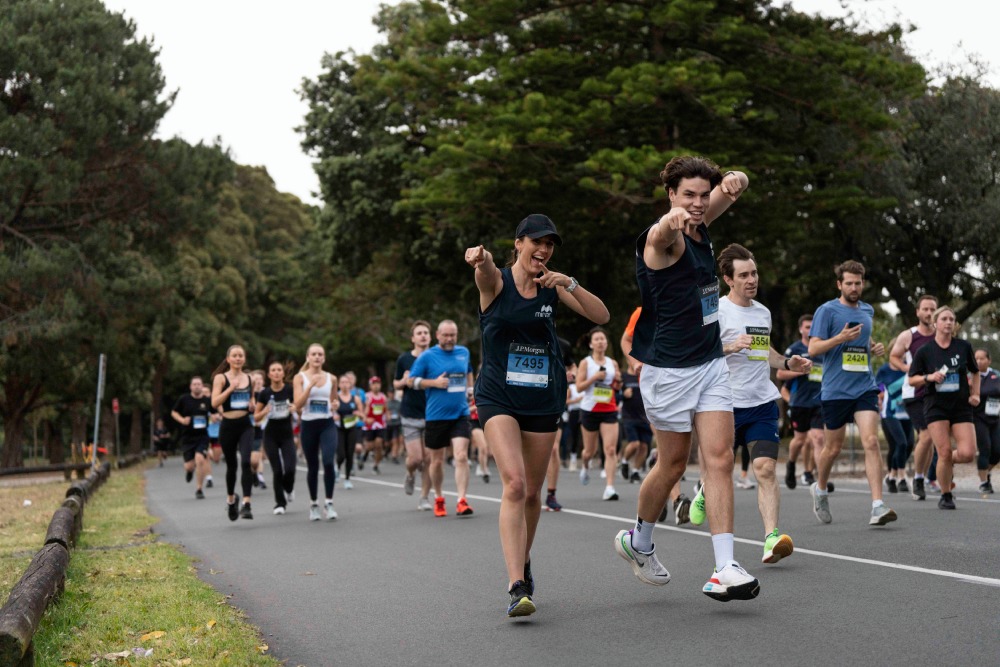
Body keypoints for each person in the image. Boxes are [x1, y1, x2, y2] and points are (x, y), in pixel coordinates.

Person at [613, 156, 760, 602]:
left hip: (710, 361)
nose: (697, 204)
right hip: (668, 372)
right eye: (687, 196)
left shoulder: (700, 223)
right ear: (671, 195)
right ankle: (638, 541)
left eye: (703, 194)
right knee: (673, 464)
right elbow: (662, 235)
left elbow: (729, 192)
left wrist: (738, 178)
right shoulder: (665, 240)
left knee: (718, 458)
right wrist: (668, 222)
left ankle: (725, 567)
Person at [465, 212, 609, 617]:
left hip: (543, 398)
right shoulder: (497, 282)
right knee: (514, 483)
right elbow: (486, 272)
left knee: (532, 492)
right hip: (498, 396)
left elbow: (601, 317)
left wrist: (569, 282)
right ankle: (517, 584)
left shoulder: (552, 286)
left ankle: (523, 559)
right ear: (519, 243)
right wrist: (481, 259)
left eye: (549, 245)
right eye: (536, 242)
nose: (543, 250)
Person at [717, 244, 811, 564]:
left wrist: (788, 361)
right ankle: (703, 493)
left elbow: (764, 351)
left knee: (765, 468)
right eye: (743, 275)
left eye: (754, 273)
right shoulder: (717, 311)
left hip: (761, 401)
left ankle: (771, 537)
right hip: (725, 404)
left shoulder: (763, 312)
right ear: (728, 279)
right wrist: (730, 346)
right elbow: (698, 353)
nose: (751, 279)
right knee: (720, 469)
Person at [808, 260, 896, 526]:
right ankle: (820, 489)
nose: (854, 287)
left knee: (870, 441)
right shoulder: (827, 311)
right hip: (835, 389)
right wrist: (839, 339)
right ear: (840, 284)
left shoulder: (867, 309)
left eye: (858, 283)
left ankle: (877, 506)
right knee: (832, 448)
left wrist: (874, 346)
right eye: (849, 283)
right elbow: (813, 349)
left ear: (863, 283)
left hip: (864, 388)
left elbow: (862, 339)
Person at [621, 307, 692, 524]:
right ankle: (676, 499)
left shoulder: (689, 304)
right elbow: (626, 339)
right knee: (668, 449)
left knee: (672, 450)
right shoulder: (644, 310)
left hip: (684, 383)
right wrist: (634, 363)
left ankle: (658, 497)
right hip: (655, 386)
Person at [907, 307, 980, 509]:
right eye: (944, 319)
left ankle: (947, 463)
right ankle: (945, 494)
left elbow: (975, 372)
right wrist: (929, 377)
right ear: (936, 323)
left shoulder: (963, 347)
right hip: (935, 406)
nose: (948, 322)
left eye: (952, 319)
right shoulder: (925, 351)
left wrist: (975, 394)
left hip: (961, 406)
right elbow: (912, 379)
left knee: (967, 453)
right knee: (944, 452)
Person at [407, 320, 475, 518]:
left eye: (453, 335)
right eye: (446, 335)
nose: (449, 339)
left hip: (460, 413)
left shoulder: (463, 352)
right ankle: (438, 497)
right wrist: (433, 383)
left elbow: (468, 371)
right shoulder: (428, 356)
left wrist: (470, 389)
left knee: (461, 456)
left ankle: (462, 500)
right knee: (436, 461)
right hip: (436, 415)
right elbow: (411, 381)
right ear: (437, 335)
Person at [889, 294, 939, 499]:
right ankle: (918, 478)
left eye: (932, 309)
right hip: (915, 392)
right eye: (925, 309)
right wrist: (907, 368)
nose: (928, 313)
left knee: (930, 439)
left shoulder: (941, 334)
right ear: (918, 312)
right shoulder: (908, 335)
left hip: (936, 392)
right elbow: (893, 356)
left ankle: (924, 476)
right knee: (926, 435)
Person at [776, 314, 825, 489]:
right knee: (800, 440)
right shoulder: (794, 349)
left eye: (813, 327)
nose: (810, 330)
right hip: (800, 402)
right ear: (800, 329)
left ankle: (821, 481)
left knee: (818, 438)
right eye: (806, 327)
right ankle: (790, 464)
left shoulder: (820, 349)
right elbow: (780, 374)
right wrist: (800, 372)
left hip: (819, 402)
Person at [293, 344, 339, 521]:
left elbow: (334, 402)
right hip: (308, 425)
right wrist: (309, 386)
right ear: (308, 357)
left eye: (320, 354)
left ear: (324, 358)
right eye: (314, 354)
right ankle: (313, 504)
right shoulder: (300, 378)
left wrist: (335, 405)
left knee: (328, 461)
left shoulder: (331, 378)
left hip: (327, 424)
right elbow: (297, 405)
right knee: (312, 466)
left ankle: (329, 502)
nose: (317, 357)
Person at [211, 345, 257, 521]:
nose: (238, 358)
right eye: (234, 356)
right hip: (228, 425)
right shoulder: (220, 378)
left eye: (241, 356)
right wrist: (230, 389)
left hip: (245, 424)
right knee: (232, 466)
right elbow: (215, 402)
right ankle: (231, 500)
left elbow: (251, 398)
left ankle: (246, 504)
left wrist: (252, 404)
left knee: (246, 462)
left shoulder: (249, 378)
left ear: (244, 359)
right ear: (228, 359)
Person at [577, 327, 622, 500]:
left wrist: (618, 381)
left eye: (603, 339)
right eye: (596, 339)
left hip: (609, 409)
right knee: (590, 451)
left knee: (610, 449)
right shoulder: (586, 363)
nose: (600, 342)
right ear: (591, 343)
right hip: (589, 409)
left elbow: (617, 386)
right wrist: (595, 377)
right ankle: (585, 465)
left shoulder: (613, 363)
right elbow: (579, 387)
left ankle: (609, 487)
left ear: (606, 342)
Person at [394, 321, 434, 511]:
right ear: (413, 338)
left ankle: (424, 497)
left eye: (426, 332)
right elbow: (395, 384)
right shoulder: (404, 359)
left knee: (429, 459)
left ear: (430, 336)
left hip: (433, 413)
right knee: (416, 459)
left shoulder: (436, 357)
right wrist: (404, 380)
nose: (423, 336)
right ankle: (410, 474)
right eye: (419, 333)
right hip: (410, 413)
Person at [254, 361, 297, 514]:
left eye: (279, 370)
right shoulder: (264, 394)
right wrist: (265, 411)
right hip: (270, 435)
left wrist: (295, 407)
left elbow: (298, 406)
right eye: (274, 370)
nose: (277, 372)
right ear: (269, 374)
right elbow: (256, 418)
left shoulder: (289, 390)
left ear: (283, 374)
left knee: (290, 468)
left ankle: (289, 488)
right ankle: (280, 503)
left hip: (287, 435)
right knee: (277, 471)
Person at [875, 348, 913, 494]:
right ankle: (902, 478)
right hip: (889, 413)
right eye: (899, 352)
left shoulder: (909, 368)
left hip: (907, 412)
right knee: (899, 443)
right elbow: (877, 386)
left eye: (904, 352)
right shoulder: (884, 370)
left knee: (908, 445)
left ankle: (891, 476)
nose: (902, 355)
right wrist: (881, 394)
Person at [170, 376, 212, 499]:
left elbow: (216, 412)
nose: (197, 386)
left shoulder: (207, 400)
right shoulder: (184, 399)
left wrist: (216, 416)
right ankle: (189, 471)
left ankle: (199, 489)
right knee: (189, 465)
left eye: (199, 384)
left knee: (200, 460)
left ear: (202, 386)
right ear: (190, 387)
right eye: (194, 384)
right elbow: (173, 412)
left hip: (202, 436)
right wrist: (182, 420)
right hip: (188, 436)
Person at [973, 349, 999, 493]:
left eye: (982, 358)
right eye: (976, 358)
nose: (978, 361)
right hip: (978, 418)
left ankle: (987, 472)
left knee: (997, 451)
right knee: (985, 449)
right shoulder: (970, 376)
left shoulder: (996, 375)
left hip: (995, 417)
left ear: (988, 360)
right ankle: (984, 482)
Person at [334, 375, 364, 490]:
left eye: (347, 382)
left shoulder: (355, 398)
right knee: (341, 454)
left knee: (349, 454)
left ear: (350, 385)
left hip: (351, 428)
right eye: (342, 382)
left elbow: (362, 415)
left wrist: (358, 414)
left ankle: (347, 479)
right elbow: (330, 411)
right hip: (339, 429)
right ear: (339, 385)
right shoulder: (335, 397)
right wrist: (334, 415)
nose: (345, 385)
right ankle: (337, 466)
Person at [363, 377, 388, 475]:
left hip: (380, 424)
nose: (376, 386)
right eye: (374, 384)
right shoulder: (367, 396)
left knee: (379, 444)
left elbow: (385, 409)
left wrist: (388, 415)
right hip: (370, 424)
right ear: (370, 385)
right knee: (370, 445)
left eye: (378, 383)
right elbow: (363, 411)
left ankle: (376, 465)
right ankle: (365, 454)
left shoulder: (383, 396)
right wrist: (366, 418)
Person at [249, 370, 267, 490]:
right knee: (252, 460)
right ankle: (254, 474)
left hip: (263, 428)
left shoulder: (268, 393)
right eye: (255, 379)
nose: (258, 382)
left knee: (258, 457)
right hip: (248, 429)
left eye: (260, 379)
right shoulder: (246, 394)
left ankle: (259, 475)